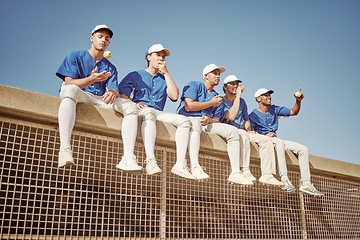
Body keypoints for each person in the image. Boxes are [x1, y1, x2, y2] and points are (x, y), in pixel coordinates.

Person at [56, 25, 141, 172]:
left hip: (99, 99)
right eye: (100, 36)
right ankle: (65, 149)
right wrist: (91, 79)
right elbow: (69, 82)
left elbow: (113, 89)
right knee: (69, 89)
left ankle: (127, 158)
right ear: (92, 38)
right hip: (80, 95)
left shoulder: (111, 67)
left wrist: (114, 92)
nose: (103, 40)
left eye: (107, 38)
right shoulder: (75, 56)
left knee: (130, 106)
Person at [118, 44, 194, 179]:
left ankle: (180, 164)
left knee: (184, 121)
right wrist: (134, 104)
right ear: (149, 57)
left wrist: (166, 73)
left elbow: (174, 96)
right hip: (141, 110)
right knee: (149, 113)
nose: (161, 59)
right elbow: (123, 95)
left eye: (163, 57)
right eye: (157, 55)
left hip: (158, 113)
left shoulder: (164, 78)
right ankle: (150, 160)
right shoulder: (135, 75)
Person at [177, 64, 253, 186]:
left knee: (233, 131)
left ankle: (235, 173)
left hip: (204, 124)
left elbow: (216, 120)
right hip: (187, 120)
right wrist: (210, 103)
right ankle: (195, 166)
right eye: (215, 73)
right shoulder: (195, 84)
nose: (218, 76)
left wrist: (209, 120)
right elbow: (189, 106)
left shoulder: (217, 97)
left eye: (219, 74)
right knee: (196, 122)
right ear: (206, 75)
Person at [249, 88, 324, 196]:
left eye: (269, 95)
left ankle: (306, 184)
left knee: (303, 149)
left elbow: (294, 112)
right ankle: (284, 179)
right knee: (279, 142)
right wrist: (264, 136)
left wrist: (298, 101)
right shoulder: (253, 115)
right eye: (265, 95)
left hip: (277, 140)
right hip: (267, 142)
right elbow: (252, 135)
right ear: (258, 99)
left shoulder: (274, 109)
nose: (269, 97)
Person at [220, 75, 284, 187]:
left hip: (243, 131)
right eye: (232, 84)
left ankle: (267, 175)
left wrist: (249, 130)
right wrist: (238, 97)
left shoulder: (243, 102)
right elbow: (231, 116)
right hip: (230, 131)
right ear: (225, 87)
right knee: (243, 133)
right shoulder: (221, 100)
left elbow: (246, 120)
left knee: (265, 140)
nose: (236, 86)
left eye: (237, 83)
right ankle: (245, 170)